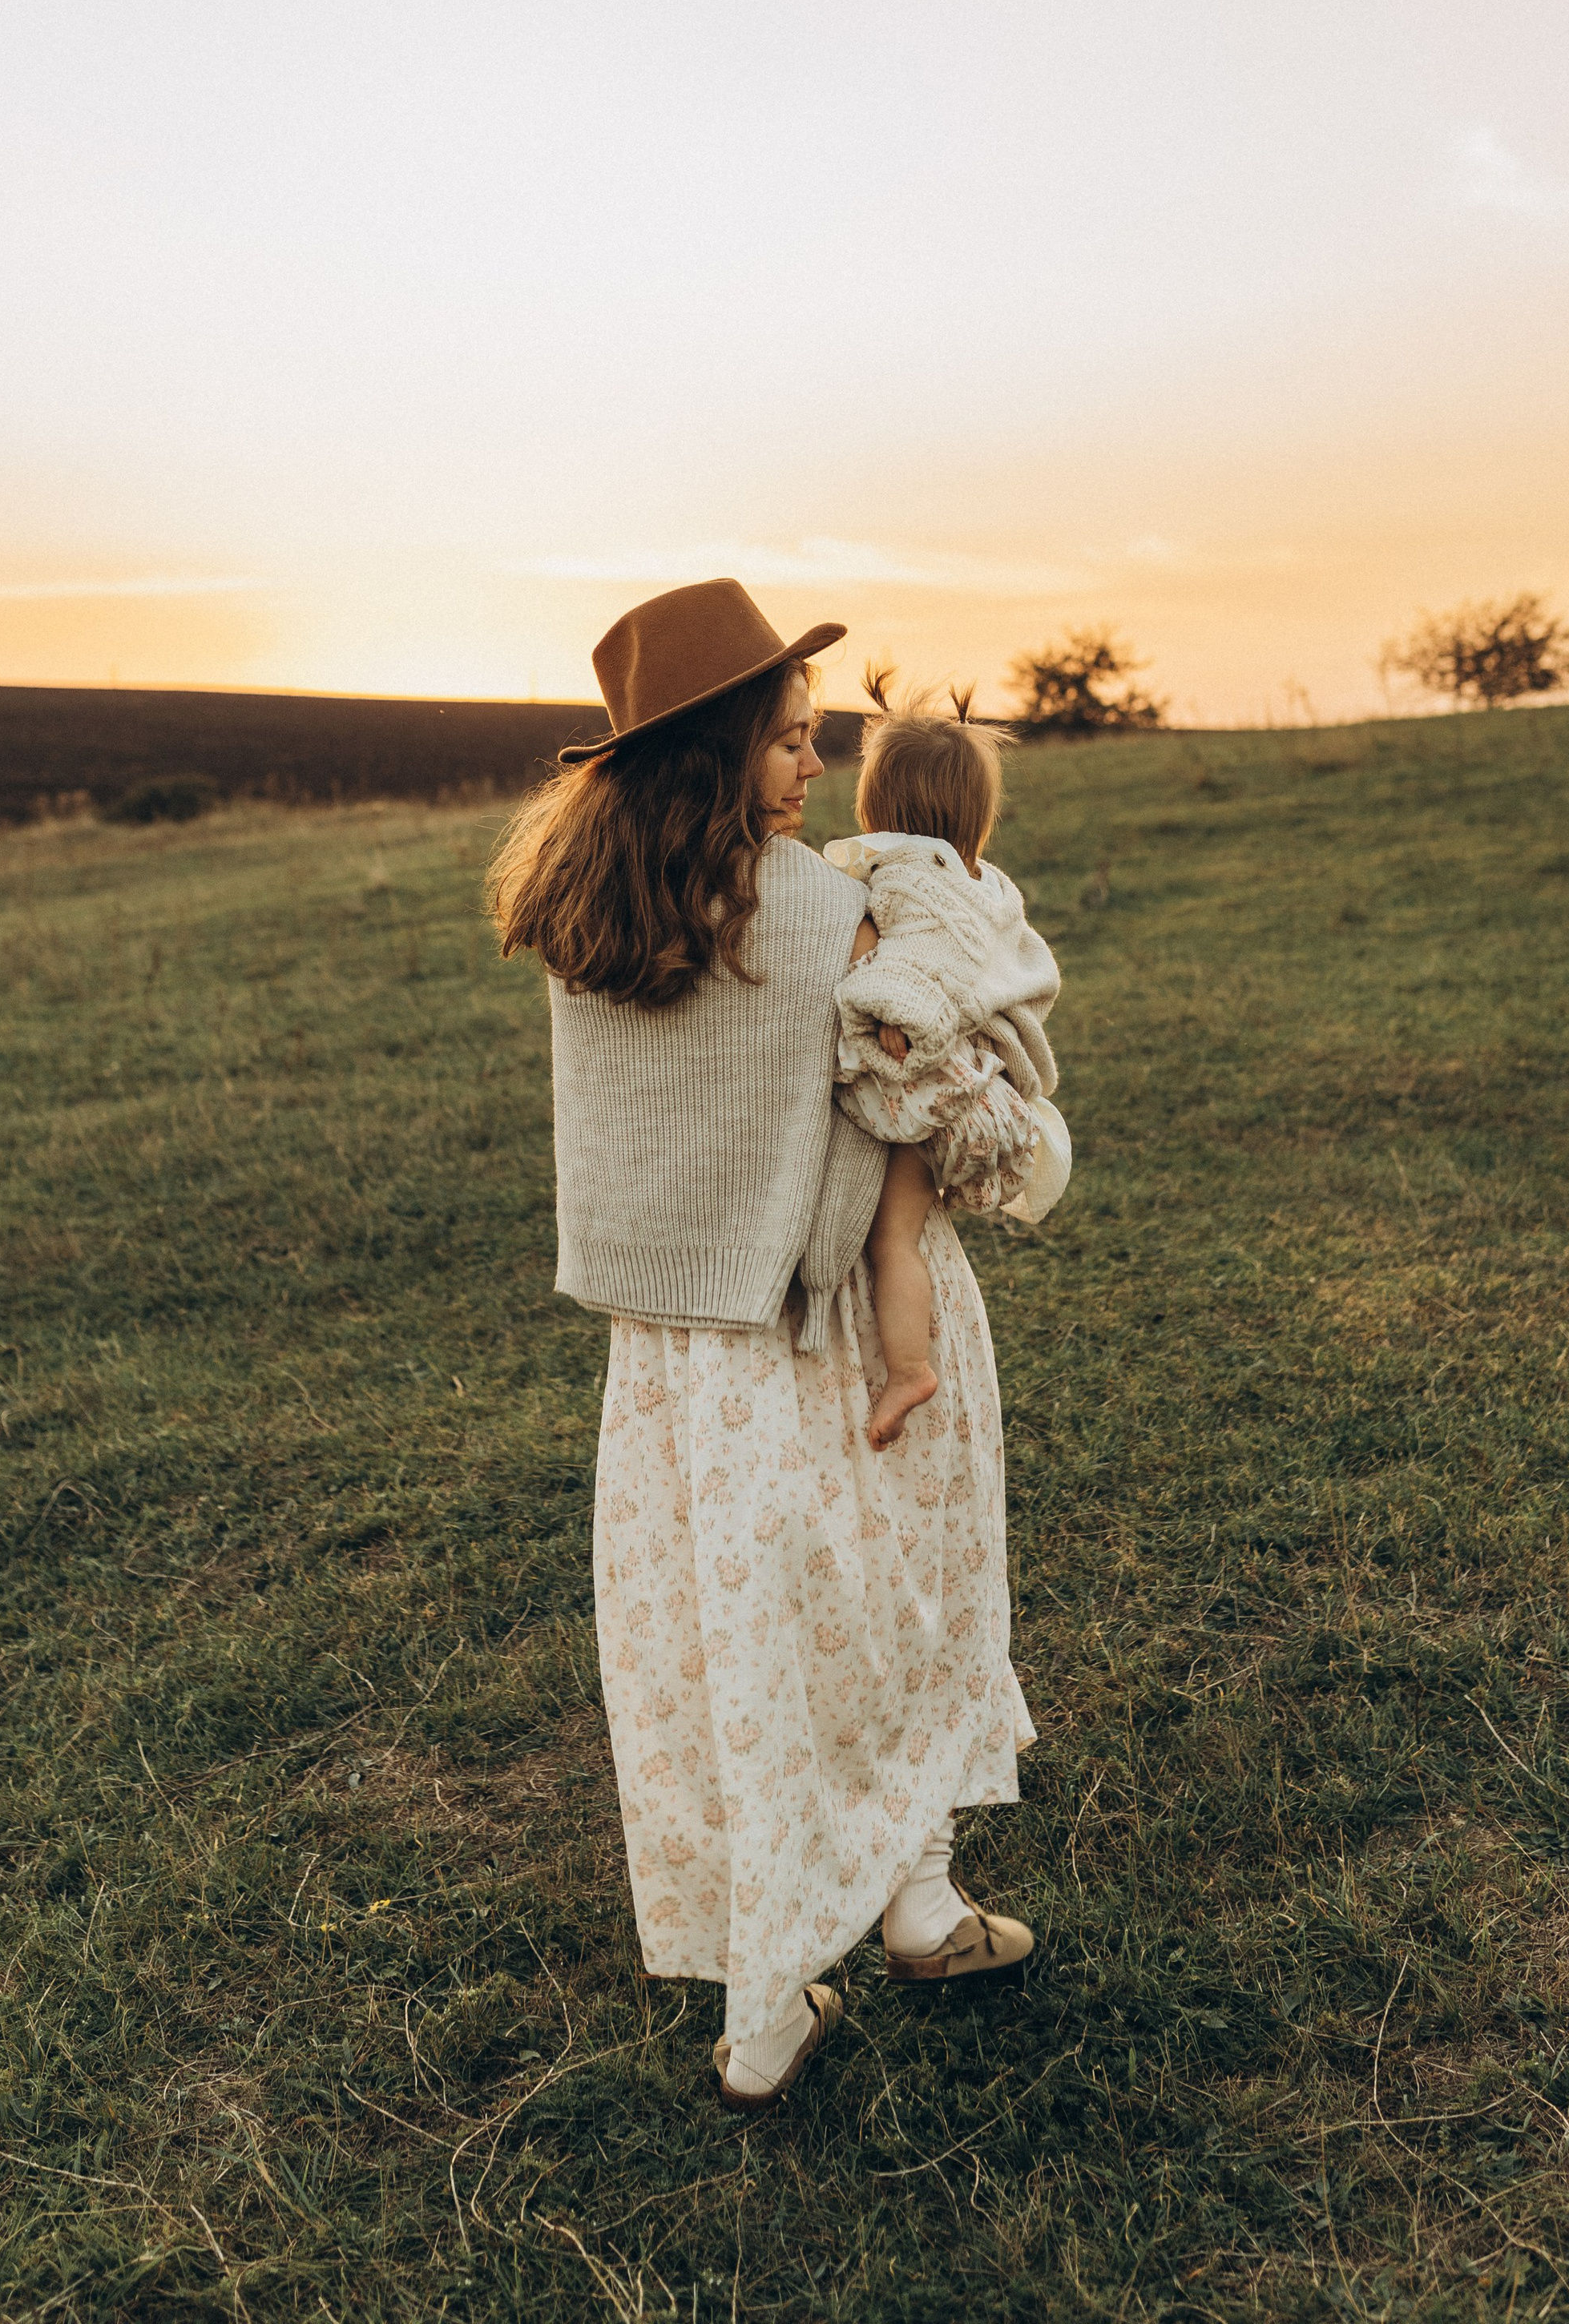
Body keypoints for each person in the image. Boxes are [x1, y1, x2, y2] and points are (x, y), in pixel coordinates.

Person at [491, 579, 1039, 2110]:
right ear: (714, 750)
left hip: (676, 1367)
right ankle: (910, 1904)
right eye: (789, 743)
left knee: (740, 1663)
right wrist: (936, 1226)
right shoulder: (823, 910)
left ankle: (769, 1994)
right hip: (842, 1325)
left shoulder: (582, 918)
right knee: (905, 1613)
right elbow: (909, 1102)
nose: (814, 770)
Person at [825, 673, 1074, 1448]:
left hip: (936, 1087)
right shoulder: (983, 883)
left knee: (889, 1240)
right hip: (984, 1084)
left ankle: (909, 1369)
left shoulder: (911, 873)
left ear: (881, 806)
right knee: (904, 1232)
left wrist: (896, 1012)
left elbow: (921, 958)